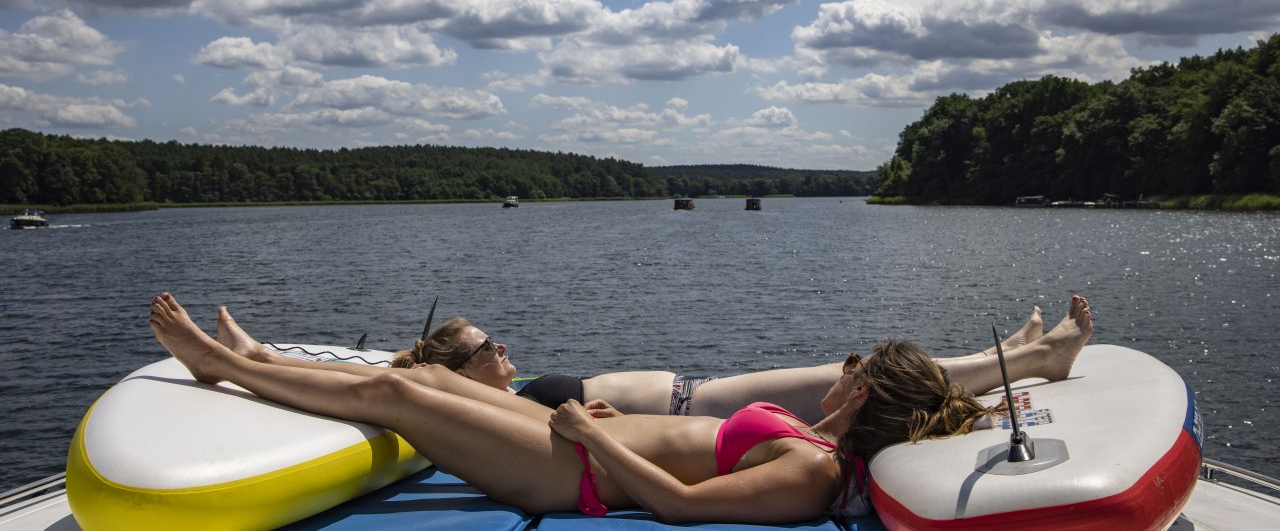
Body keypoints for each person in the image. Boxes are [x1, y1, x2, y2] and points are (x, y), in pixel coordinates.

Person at [150, 292, 1008, 524]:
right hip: (588, 440)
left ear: (860, 393)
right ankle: (263, 356)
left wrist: (585, 440)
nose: (841, 368)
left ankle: (221, 366)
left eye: (853, 366)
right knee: (439, 381)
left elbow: (679, 504)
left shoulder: (815, 471)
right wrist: (600, 425)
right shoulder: (811, 435)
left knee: (397, 392)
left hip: (573, 475)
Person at [217, 298, 1091, 423]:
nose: (507, 351)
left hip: (693, 393)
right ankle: (1030, 362)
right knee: (857, 378)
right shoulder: (444, 383)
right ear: (459, 361)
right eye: (492, 346)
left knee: (849, 368)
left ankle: (1010, 353)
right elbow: (371, 380)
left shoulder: (504, 383)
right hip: (692, 410)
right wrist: (256, 356)